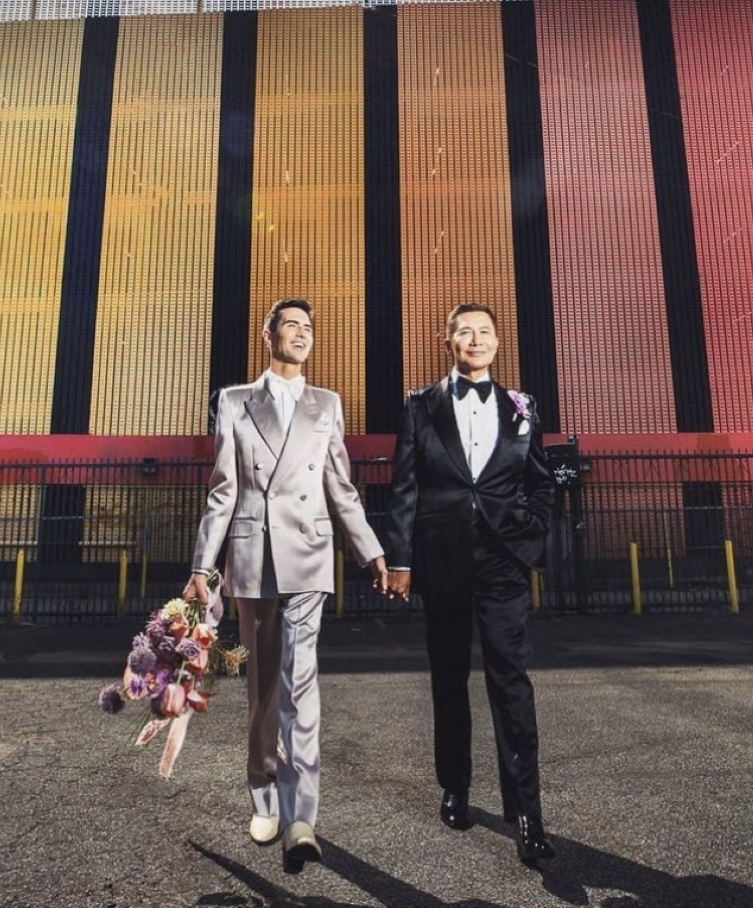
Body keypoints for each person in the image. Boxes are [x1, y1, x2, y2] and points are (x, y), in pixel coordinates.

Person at [184, 298, 387, 873]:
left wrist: (370, 550)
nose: (301, 335)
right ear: (267, 334)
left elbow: (340, 487)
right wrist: (203, 568)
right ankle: (262, 788)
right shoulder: (233, 401)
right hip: (252, 557)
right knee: (262, 688)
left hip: (308, 555)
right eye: (290, 325)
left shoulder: (327, 404)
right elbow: (224, 490)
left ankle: (302, 817)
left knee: (301, 683)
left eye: (308, 328)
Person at [383, 302, 557, 866]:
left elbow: (541, 482)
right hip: (443, 558)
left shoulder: (522, 405)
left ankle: (526, 812)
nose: (476, 339)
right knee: (449, 677)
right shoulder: (420, 405)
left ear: (497, 343)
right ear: (448, 341)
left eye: (485, 332)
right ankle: (455, 786)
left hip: (502, 561)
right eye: (466, 332)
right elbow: (405, 487)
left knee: (511, 681)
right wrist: (402, 561)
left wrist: (530, 529)